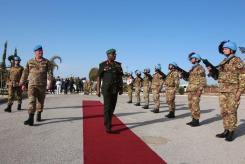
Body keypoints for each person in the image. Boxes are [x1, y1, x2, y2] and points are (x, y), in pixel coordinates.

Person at [207, 40, 245, 141]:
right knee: (224, 111)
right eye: (223, 49)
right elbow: (217, 77)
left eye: (225, 48)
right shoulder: (223, 61)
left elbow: (242, 76)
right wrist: (212, 71)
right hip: (222, 90)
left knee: (231, 111)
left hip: (233, 90)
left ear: (232, 50)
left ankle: (231, 131)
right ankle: (226, 130)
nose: (223, 50)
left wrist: (239, 91)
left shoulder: (238, 61)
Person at [20, 45, 53, 126]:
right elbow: (25, 73)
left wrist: (50, 82)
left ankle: (39, 114)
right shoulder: (29, 61)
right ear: (35, 52)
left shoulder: (46, 62)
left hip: (42, 85)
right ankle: (30, 118)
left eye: (41, 50)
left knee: (40, 102)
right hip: (32, 85)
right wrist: (22, 83)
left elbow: (50, 73)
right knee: (32, 101)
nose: (41, 52)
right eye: (39, 51)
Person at [96, 49, 123, 133]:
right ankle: (108, 125)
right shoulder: (103, 64)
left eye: (115, 54)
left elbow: (120, 77)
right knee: (107, 107)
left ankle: (108, 121)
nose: (115, 55)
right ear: (108, 55)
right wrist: (98, 90)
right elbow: (99, 77)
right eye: (113, 54)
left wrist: (121, 88)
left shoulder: (118, 65)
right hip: (106, 89)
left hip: (115, 89)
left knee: (112, 107)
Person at [185, 53, 206, 127]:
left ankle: (196, 121)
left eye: (192, 58)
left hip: (196, 89)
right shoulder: (192, 68)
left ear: (196, 59)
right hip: (191, 89)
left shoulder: (200, 68)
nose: (190, 60)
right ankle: (193, 119)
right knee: (191, 105)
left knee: (195, 105)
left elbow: (203, 80)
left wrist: (200, 90)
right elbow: (190, 79)